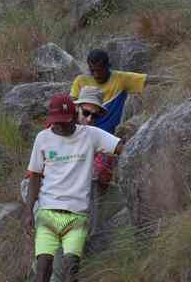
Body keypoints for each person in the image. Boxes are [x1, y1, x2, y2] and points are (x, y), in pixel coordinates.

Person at [26, 94, 122, 282]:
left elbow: (120, 146)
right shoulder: (43, 138)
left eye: (64, 121)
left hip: (77, 215)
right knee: (43, 267)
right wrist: (29, 211)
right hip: (47, 212)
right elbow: (35, 175)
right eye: (56, 122)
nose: (59, 126)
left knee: (71, 267)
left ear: (73, 115)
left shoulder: (90, 135)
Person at [70, 49, 147, 136]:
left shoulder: (121, 79)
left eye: (99, 70)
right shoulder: (81, 81)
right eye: (92, 71)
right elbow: (71, 106)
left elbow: (147, 80)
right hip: (83, 132)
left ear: (108, 66)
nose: (96, 75)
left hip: (108, 134)